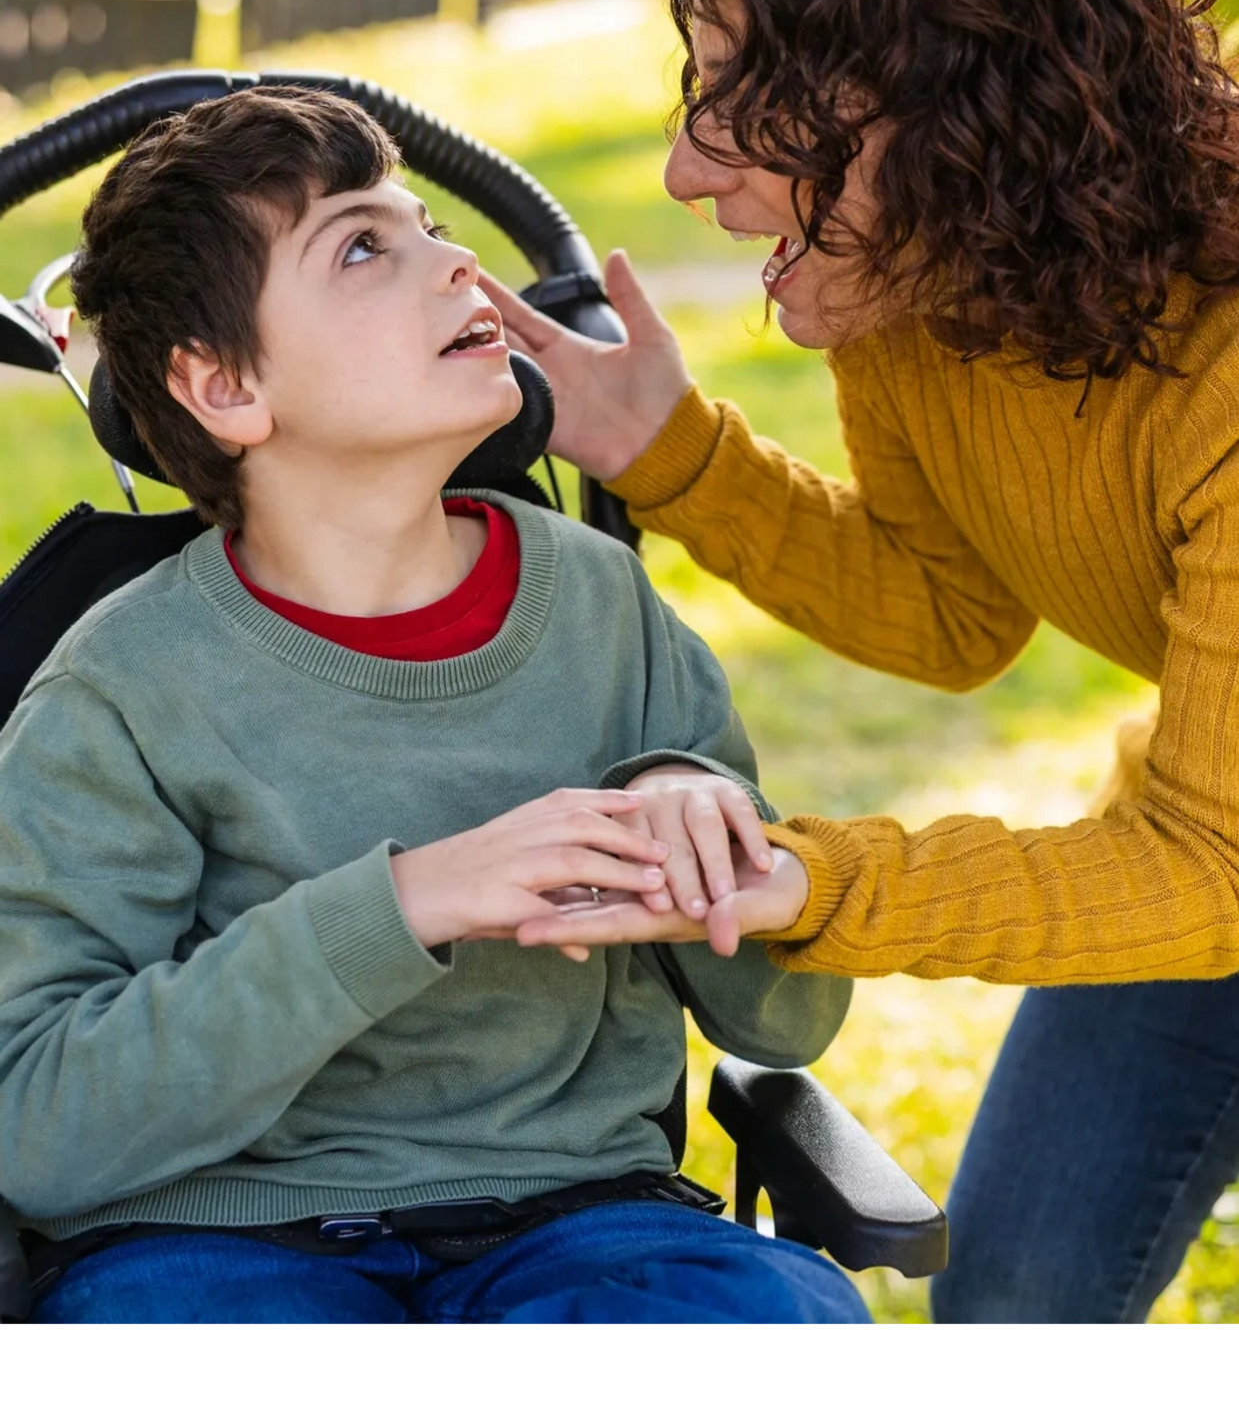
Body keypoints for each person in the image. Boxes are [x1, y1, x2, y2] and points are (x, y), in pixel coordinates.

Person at [0, 85, 865, 1328]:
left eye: (431, 226)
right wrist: (404, 905)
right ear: (223, 385)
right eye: (362, 247)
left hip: (579, 1217)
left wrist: (714, 839)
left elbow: (788, 1023)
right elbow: (36, 1123)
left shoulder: (602, 608)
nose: (456, 262)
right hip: (215, 1242)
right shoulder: (123, 688)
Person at [487, 0, 1239, 1327]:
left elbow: (1211, 870)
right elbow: (952, 613)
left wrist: (818, 883)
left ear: (953, 103)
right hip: (1213, 835)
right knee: (1016, 1294)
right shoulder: (923, 276)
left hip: (1211, 857)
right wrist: (672, 456)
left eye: (747, 101)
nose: (684, 168)